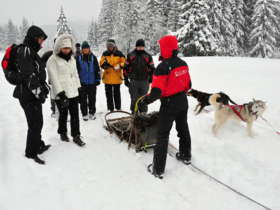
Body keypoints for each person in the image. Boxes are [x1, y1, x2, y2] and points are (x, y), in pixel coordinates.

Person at [138, 35, 192, 179]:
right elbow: (189, 85)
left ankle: (158, 169)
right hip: (183, 101)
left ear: (166, 48)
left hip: (169, 104)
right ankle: (186, 155)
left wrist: (145, 101)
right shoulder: (183, 63)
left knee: (162, 136)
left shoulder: (163, 67)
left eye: (162, 47)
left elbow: (156, 92)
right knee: (183, 128)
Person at [13, 25, 51, 164]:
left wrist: (43, 87)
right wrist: (38, 92)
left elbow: (36, 73)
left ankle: (38, 144)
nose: (42, 42)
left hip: (32, 94)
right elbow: (29, 75)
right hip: (27, 95)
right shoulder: (25, 51)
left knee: (37, 122)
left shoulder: (31, 51)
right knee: (35, 124)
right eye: (40, 39)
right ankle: (31, 152)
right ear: (34, 38)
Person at [47, 34, 85, 147]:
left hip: (73, 91)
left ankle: (76, 135)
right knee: (63, 114)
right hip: (61, 93)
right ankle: (62, 132)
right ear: (59, 47)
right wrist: (61, 94)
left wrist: (79, 88)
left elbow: (75, 75)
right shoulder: (52, 60)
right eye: (64, 48)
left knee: (75, 114)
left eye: (68, 48)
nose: (66, 50)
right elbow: (53, 78)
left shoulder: (72, 59)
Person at [124, 39, 155, 113]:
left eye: (142, 47)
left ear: (144, 47)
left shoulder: (148, 56)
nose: (140, 48)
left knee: (143, 99)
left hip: (144, 81)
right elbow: (125, 67)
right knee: (134, 98)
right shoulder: (131, 55)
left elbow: (152, 68)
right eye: (139, 47)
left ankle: (143, 114)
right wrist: (125, 79)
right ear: (136, 46)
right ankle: (134, 113)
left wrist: (151, 78)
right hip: (134, 81)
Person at [76, 41, 101, 121]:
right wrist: (77, 82)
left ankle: (92, 112)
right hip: (82, 83)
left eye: (87, 48)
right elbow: (76, 71)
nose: (86, 50)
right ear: (82, 50)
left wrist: (97, 79)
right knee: (82, 99)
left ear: (89, 49)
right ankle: (84, 113)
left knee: (92, 99)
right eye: (84, 49)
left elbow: (97, 69)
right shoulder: (78, 58)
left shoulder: (93, 58)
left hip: (92, 82)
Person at [100, 39, 126, 112]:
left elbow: (124, 62)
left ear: (114, 46)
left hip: (117, 77)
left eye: (111, 45)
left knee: (116, 94)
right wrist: (104, 65)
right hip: (107, 77)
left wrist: (119, 66)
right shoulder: (105, 53)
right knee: (109, 94)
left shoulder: (120, 54)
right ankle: (110, 108)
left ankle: (118, 107)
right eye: (108, 46)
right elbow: (101, 62)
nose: (110, 47)